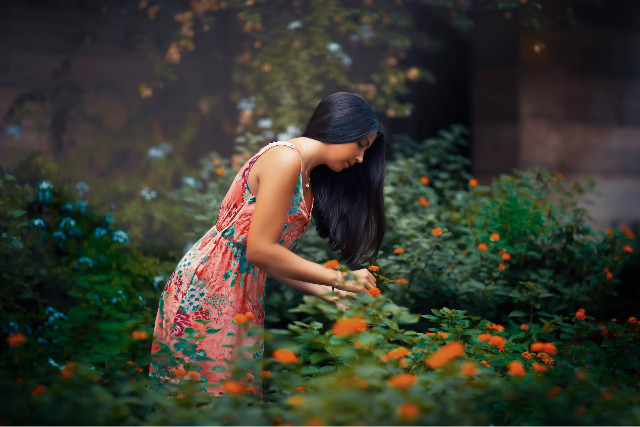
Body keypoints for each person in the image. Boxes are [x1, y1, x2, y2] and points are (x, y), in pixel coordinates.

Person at [149, 92, 386, 395]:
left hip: (242, 293)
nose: (360, 159)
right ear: (341, 127)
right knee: (204, 401)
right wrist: (340, 277)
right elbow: (259, 250)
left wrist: (332, 293)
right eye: (360, 145)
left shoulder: (307, 176)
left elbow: (270, 260)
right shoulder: (285, 159)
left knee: (228, 399)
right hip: (209, 288)